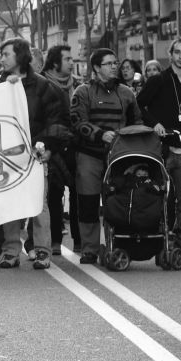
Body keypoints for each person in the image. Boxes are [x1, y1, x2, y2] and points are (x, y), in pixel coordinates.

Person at [0, 38, 69, 270]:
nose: (1, 59)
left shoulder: (43, 86)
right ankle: (10, 251)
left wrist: (48, 147)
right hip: (5, 156)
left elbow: (57, 121)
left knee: (38, 205)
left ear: (20, 56)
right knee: (9, 204)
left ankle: (42, 251)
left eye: (6, 54)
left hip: (34, 155)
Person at [71, 48, 143, 265]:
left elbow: (136, 123)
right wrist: (100, 134)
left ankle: (118, 244)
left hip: (119, 157)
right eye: (109, 63)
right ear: (96, 68)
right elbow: (76, 122)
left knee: (118, 202)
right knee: (88, 202)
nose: (115, 66)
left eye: (116, 62)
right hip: (89, 155)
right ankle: (90, 249)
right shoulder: (82, 92)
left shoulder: (127, 93)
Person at [136, 36, 181, 256]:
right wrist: (154, 123)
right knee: (154, 194)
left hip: (180, 149)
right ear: (171, 55)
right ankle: (154, 235)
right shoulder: (158, 80)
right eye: (177, 52)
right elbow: (139, 105)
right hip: (157, 147)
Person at [42, 44, 80, 255]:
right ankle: (55, 240)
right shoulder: (43, 84)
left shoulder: (78, 86)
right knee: (53, 196)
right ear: (55, 62)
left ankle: (79, 240)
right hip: (51, 147)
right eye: (67, 59)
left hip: (74, 145)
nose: (71, 63)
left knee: (77, 193)